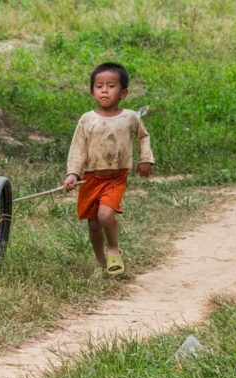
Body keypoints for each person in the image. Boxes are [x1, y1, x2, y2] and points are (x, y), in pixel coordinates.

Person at [63, 62, 154, 276]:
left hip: (115, 176)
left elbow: (143, 137)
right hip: (91, 178)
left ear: (124, 92)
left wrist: (145, 159)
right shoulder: (87, 120)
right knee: (93, 223)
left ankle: (113, 248)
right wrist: (72, 173)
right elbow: (78, 149)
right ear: (92, 92)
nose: (104, 90)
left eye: (111, 86)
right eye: (99, 86)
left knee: (105, 215)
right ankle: (101, 262)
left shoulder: (130, 117)